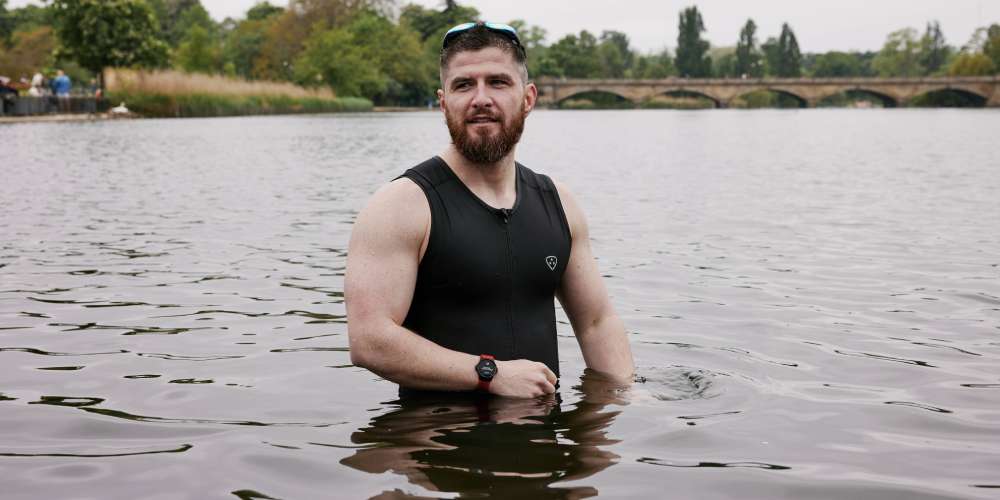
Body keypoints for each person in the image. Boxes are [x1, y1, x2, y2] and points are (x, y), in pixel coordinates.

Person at [345, 22, 634, 399]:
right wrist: (488, 374)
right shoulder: (401, 205)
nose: (481, 98)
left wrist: (623, 401)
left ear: (528, 98)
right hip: (440, 445)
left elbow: (597, 322)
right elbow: (369, 339)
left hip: (541, 448)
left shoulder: (558, 203)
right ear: (443, 101)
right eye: (464, 85)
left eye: (498, 82)